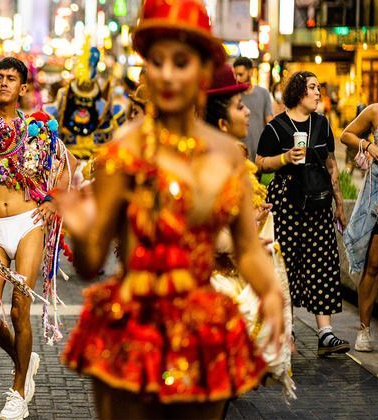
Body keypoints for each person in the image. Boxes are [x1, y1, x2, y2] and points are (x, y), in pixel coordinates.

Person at [57, 1, 284, 418]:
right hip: (131, 326)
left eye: (180, 62)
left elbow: (247, 248)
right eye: (156, 61)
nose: (166, 73)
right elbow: (91, 264)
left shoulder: (227, 155)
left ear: (201, 71)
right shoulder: (123, 152)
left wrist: (270, 293)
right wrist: (78, 227)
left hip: (204, 329)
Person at [0, 57, 73, 420]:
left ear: (24, 88)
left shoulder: (37, 130)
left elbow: (65, 168)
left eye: (12, 79)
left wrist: (54, 201)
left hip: (28, 225)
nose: (4, 83)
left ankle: (18, 390)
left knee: (20, 309)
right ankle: (24, 357)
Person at [205, 63, 295, 398]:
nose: (249, 112)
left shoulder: (230, 161)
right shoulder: (206, 164)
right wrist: (241, 241)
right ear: (222, 122)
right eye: (240, 106)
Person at [256, 70, 349, 356]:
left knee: (322, 262)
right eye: (313, 87)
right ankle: (287, 329)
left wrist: (339, 202)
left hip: (318, 204)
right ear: (298, 92)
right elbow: (259, 162)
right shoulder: (276, 128)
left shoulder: (322, 125)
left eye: (318, 87)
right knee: (286, 266)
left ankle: (326, 333)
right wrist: (284, 158)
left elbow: (331, 163)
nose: (318, 92)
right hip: (286, 205)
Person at [345, 61, 378, 359]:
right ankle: (364, 329)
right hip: (377, 190)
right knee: (374, 262)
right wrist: (367, 145)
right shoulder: (377, 110)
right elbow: (346, 135)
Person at [233, 57, 274, 162]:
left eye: (241, 74)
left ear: (250, 72)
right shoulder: (234, 96)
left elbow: (269, 121)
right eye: (236, 75)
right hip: (240, 152)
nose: (238, 78)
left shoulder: (263, 93)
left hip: (260, 152)